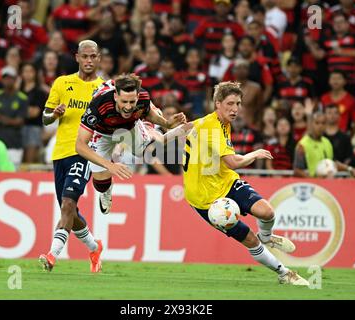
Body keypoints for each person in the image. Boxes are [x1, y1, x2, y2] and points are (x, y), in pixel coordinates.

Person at [183, 81, 309, 286]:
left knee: (267, 212)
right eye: (230, 104)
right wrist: (255, 153)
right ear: (217, 103)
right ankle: (284, 273)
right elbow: (233, 162)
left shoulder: (219, 122)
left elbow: (186, 128)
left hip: (225, 181)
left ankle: (267, 236)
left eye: (238, 103)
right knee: (250, 240)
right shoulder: (212, 127)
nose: (235, 109)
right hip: (206, 199)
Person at [75, 74, 189, 215]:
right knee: (101, 185)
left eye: (132, 102)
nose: (128, 107)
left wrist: (166, 123)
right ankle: (106, 191)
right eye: (124, 102)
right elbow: (80, 146)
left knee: (147, 149)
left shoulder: (142, 97)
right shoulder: (99, 106)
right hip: (102, 134)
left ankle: (149, 129)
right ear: (116, 96)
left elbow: (148, 112)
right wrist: (110, 165)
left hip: (129, 127)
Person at [38, 40, 104, 273]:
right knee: (70, 211)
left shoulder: (104, 89)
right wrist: (54, 114)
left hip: (84, 153)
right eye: (84, 56)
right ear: (77, 57)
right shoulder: (62, 82)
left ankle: (52, 255)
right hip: (60, 153)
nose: (88, 61)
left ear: (98, 58)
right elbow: (44, 118)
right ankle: (94, 247)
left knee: (67, 204)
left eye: (93, 56)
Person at [293, 111, 355, 178]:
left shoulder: (327, 142)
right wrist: (312, 180)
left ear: (326, 125)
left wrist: (349, 169)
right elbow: (297, 170)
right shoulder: (302, 145)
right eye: (317, 123)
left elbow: (332, 162)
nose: (320, 126)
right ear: (311, 124)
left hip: (327, 183)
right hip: (312, 185)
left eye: (323, 123)